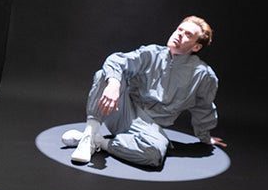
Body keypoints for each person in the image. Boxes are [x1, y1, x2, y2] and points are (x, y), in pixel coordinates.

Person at [65, 16, 225, 168]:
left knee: (154, 154)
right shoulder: (152, 53)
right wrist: (113, 84)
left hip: (149, 128)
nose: (179, 35)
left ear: (196, 46)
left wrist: (205, 137)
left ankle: (99, 142)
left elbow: (204, 108)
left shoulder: (203, 75)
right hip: (122, 112)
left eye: (188, 34)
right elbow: (116, 60)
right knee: (105, 74)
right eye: (179, 30)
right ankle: (88, 135)